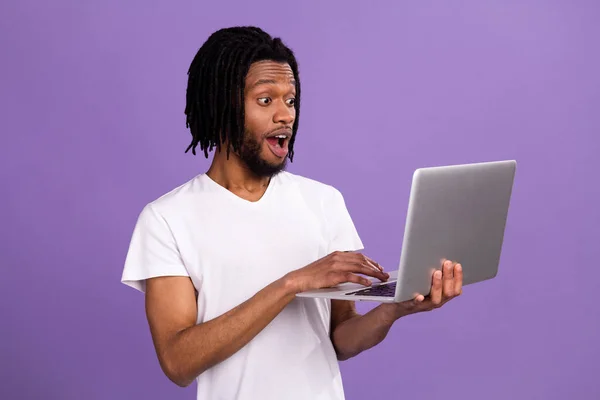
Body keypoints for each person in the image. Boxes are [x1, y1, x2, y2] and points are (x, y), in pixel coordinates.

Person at [121, 26, 463, 400]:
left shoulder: (323, 201)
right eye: (266, 100)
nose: (286, 115)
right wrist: (292, 284)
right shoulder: (167, 219)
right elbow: (178, 362)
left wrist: (392, 311)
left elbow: (340, 339)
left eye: (292, 100)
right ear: (222, 107)